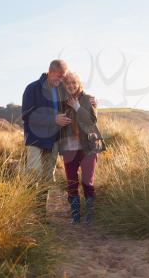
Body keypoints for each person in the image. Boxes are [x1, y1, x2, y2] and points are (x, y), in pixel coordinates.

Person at [22, 59, 96, 219]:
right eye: (58, 76)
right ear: (50, 72)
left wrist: (90, 100)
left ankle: (41, 215)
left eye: (63, 77)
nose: (61, 80)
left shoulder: (60, 90)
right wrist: (53, 119)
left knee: (47, 178)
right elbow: (27, 115)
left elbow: (76, 92)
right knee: (33, 175)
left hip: (53, 141)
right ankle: (28, 214)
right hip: (35, 140)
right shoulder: (32, 88)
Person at [59, 71, 106, 224]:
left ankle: (90, 216)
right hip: (69, 148)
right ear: (64, 86)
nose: (71, 86)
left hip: (88, 148)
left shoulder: (88, 99)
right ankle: (75, 216)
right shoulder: (61, 102)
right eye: (68, 83)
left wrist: (78, 107)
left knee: (87, 182)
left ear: (79, 84)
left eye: (74, 83)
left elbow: (92, 120)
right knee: (71, 182)